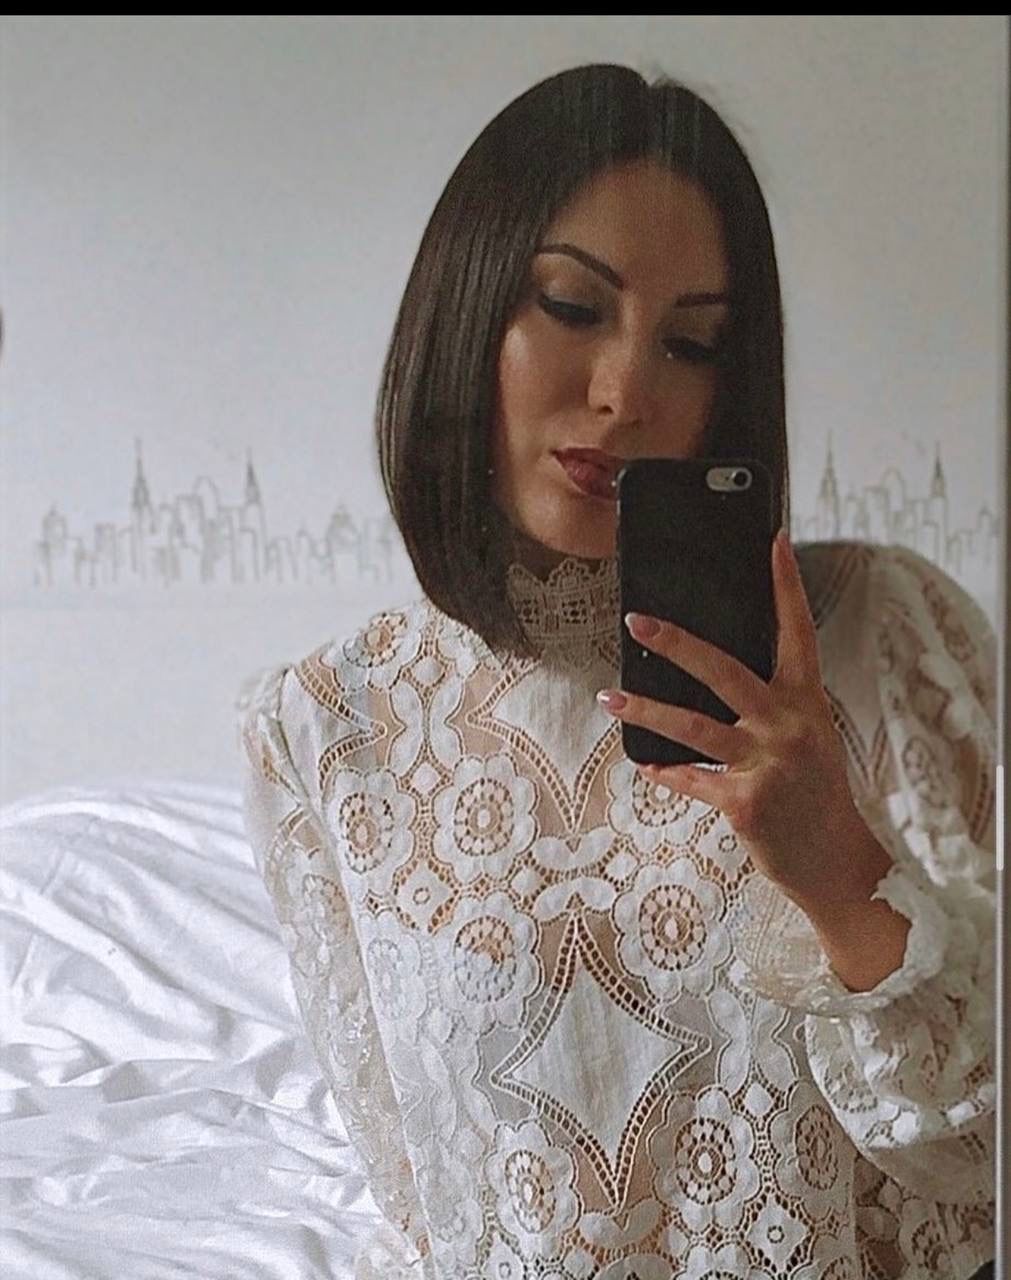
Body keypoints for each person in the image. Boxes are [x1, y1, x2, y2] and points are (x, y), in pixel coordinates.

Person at [236, 64, 997, 1280]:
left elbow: (981, 1155)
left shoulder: (885, 639)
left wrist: (845, 879)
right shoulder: (330, 725)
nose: (627, 390)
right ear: (466, 310)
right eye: (572, 305)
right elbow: (427, 1198)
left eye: (693, 343)